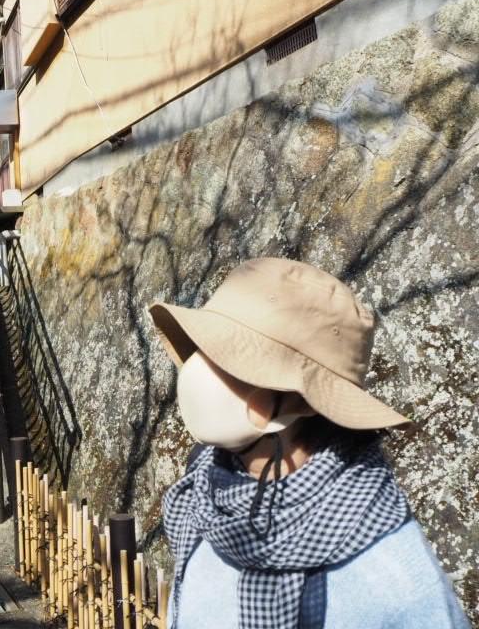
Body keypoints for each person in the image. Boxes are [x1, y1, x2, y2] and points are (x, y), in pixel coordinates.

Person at [148, 257, 469, 629]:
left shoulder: (398, 584)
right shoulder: (201, 504)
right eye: (203, 348)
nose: (198, 371)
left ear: (302, 400)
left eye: (231, 358)